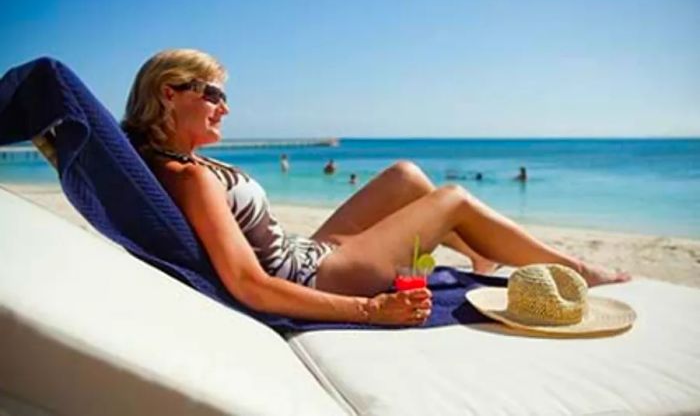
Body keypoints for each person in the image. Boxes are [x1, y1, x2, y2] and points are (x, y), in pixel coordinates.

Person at [121, 49, 630, 327]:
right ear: (170, 93)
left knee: (406, 176)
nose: (224, 107)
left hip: (310, 252)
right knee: (451, 198)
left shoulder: (181, 162)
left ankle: (481, 259)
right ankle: (577, 269)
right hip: (319, 278)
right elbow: (249, 285)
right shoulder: (190, 178)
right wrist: (370, 309)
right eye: (213, 94)